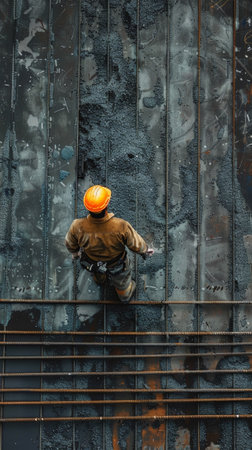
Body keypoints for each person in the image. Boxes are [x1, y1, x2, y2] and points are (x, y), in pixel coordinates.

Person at [65, 185, 154, 303]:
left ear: (88, 208)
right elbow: (136, 244)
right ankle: (125, 295)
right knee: (122, 286)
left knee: (98, 276)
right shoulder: (121, 226)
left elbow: (70, 244)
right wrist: (145, 250)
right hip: (116, 265)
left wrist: (75, 253)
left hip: (93, 263)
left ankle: (100, 279)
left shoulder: (77, 226)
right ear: (106, 205)